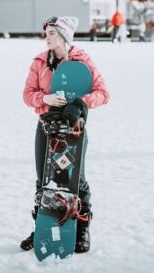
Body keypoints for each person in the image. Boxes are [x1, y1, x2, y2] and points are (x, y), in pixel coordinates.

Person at [20, 16, 109, 254]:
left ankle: (81, 228)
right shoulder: (39, 62)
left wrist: (80, 103)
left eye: (51, 33)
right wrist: (44, 99)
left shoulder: (82, 61)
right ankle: (42, 228)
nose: (46, 37)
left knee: (75, 179)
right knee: (44, 178)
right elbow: (27, 94)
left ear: (63, 36)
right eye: (46, 33)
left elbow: (103, 93)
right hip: (47, 129)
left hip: (74, 132)